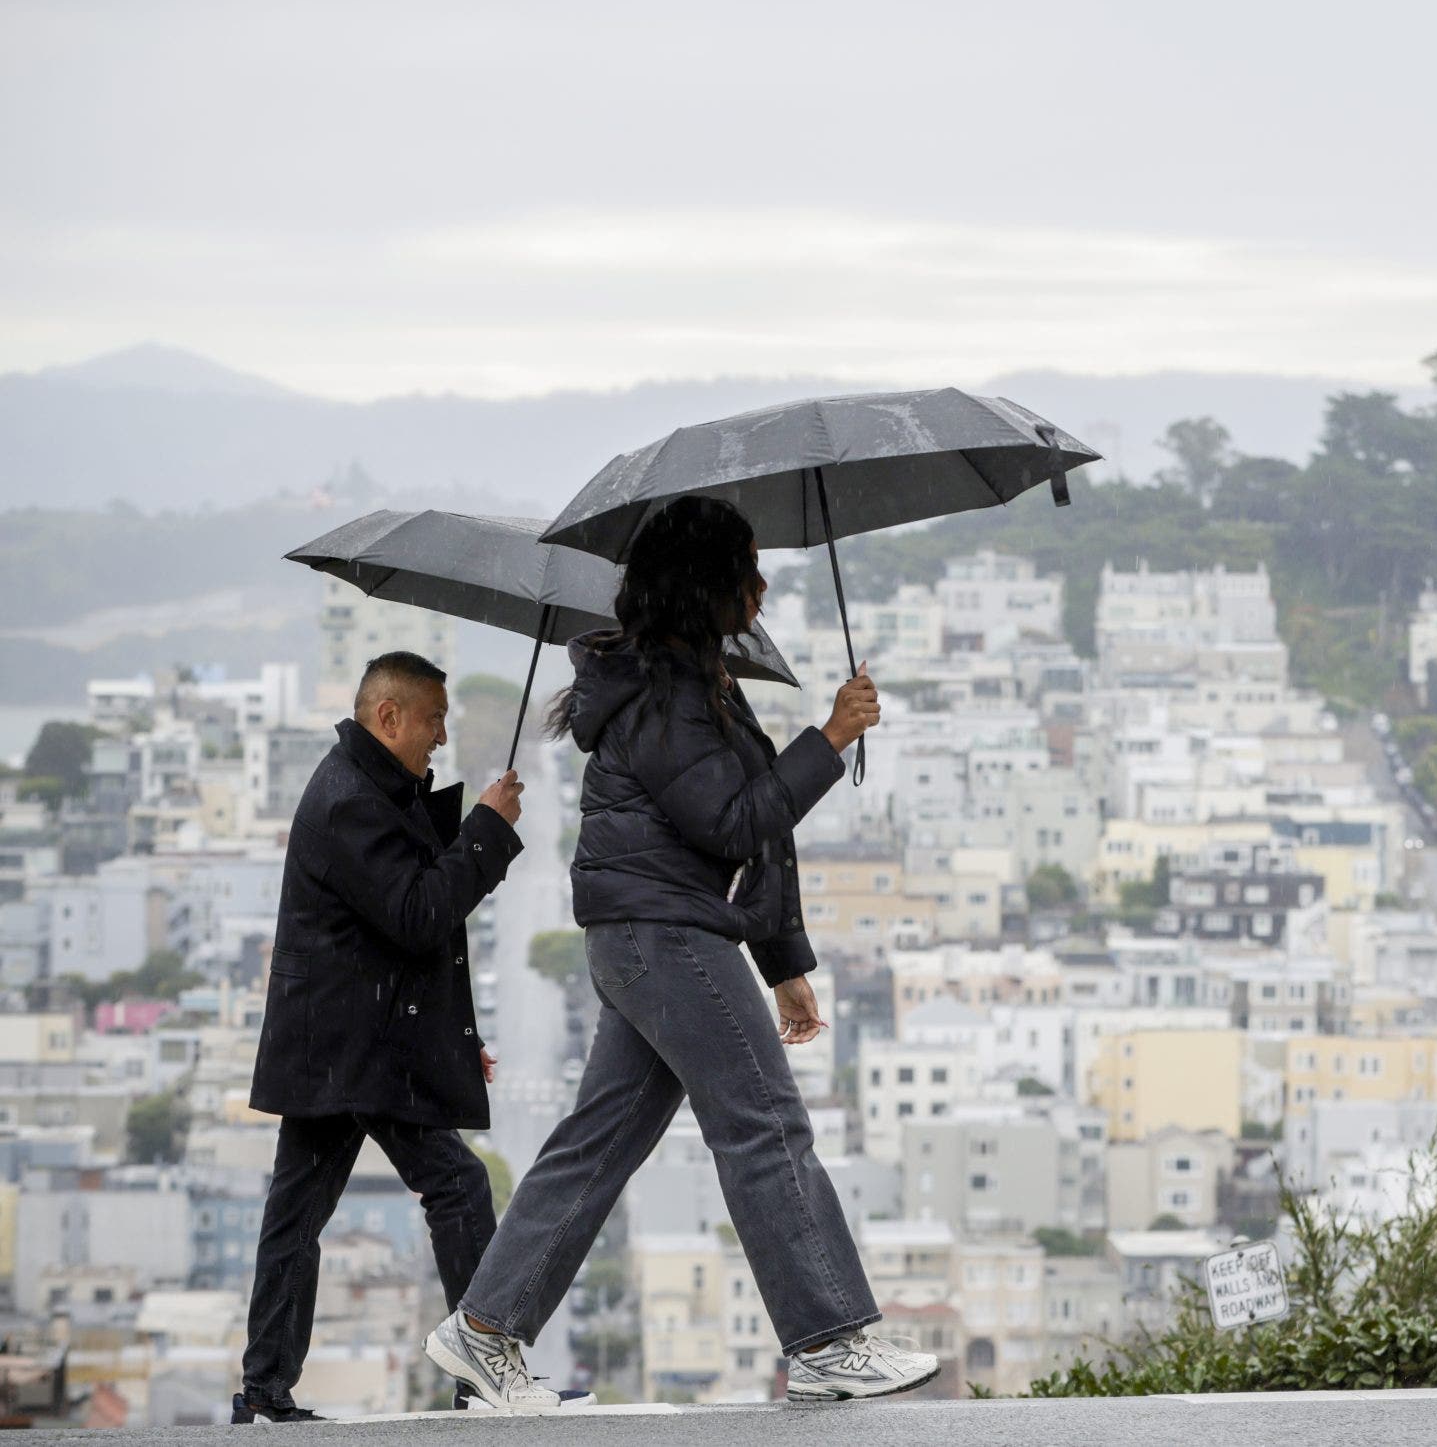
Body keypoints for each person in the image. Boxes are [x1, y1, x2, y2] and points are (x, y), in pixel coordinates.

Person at [426, 495, 934, 1410]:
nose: (762, 586)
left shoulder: (692, 683)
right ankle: (827, 1341)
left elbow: (752, 834)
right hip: (666, 936)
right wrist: (831, 737)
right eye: (747, 567)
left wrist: (783, 962)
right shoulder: (664, 696)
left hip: (646, 935)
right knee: (765, 1123)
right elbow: (734, 822)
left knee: (599, 1142)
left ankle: (485, 1328)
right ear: (707, 583)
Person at [234, 651, 525, 1425]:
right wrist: (488, 830)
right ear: (388, 716)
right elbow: (420, 914)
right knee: (457, 1186)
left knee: (297, 1211)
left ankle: (264, 1390)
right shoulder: (349, 800)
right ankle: (485, 1371)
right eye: (434, 718)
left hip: (341, 1039)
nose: (442, 735)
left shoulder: (365, 787)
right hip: (353, 1047)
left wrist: (452, 1038)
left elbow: (397, 932)